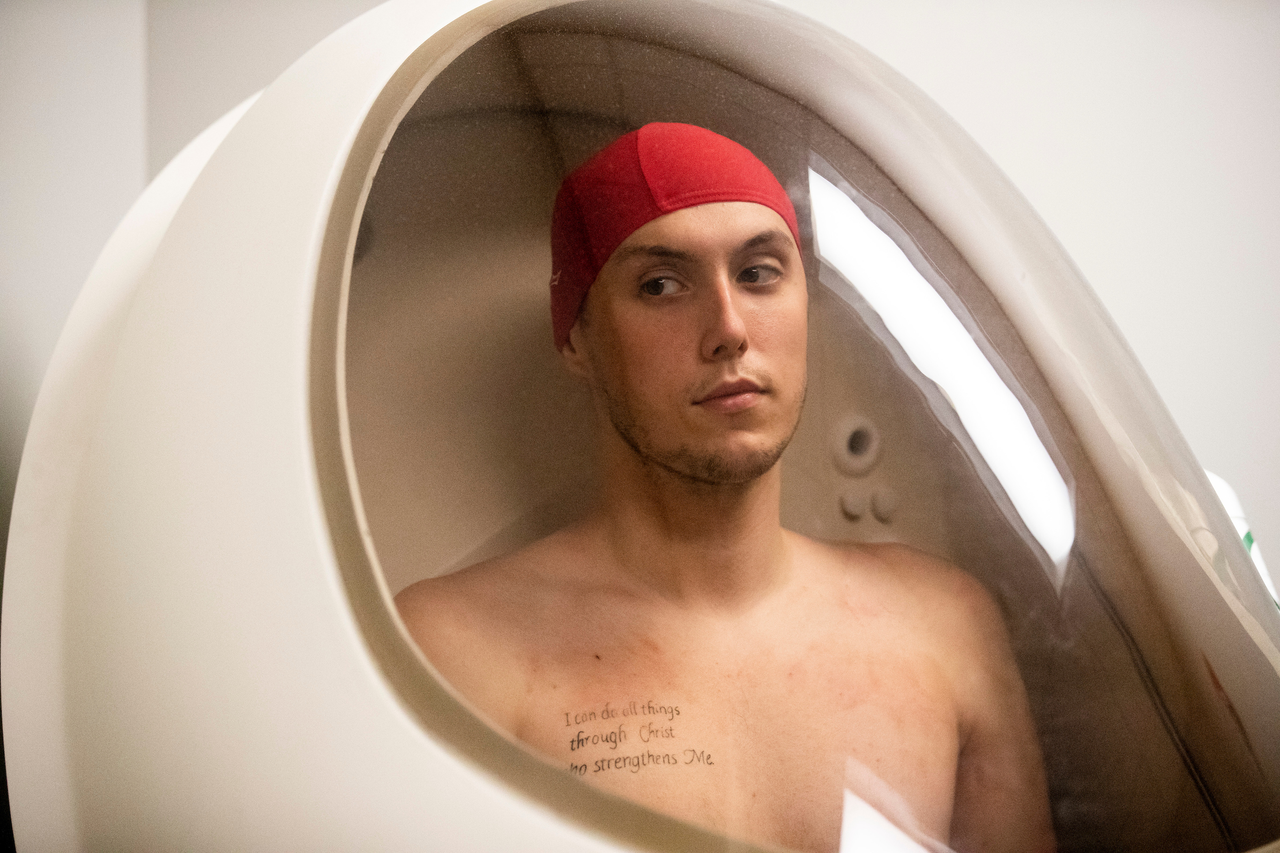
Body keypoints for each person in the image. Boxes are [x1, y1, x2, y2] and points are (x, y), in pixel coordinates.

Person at [396, 122, 1055, 853]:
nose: (729, 328)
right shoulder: (450, 653)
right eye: (661, 284)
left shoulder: (945, 626)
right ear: (578, 338)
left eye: (759, 273)